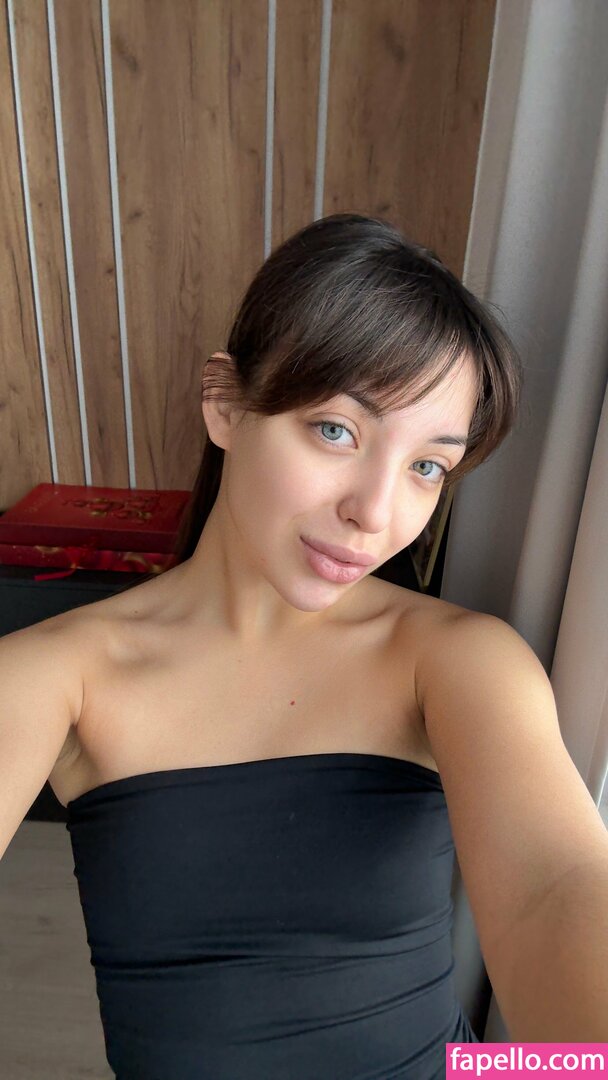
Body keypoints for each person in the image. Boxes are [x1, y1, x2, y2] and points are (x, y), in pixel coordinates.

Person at [2, 213, 607, 1078]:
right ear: (226, 402)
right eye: (336, 431)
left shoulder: (456, 660)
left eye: (426, 466)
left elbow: (554, 887)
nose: (376, 512)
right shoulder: (57, 676)